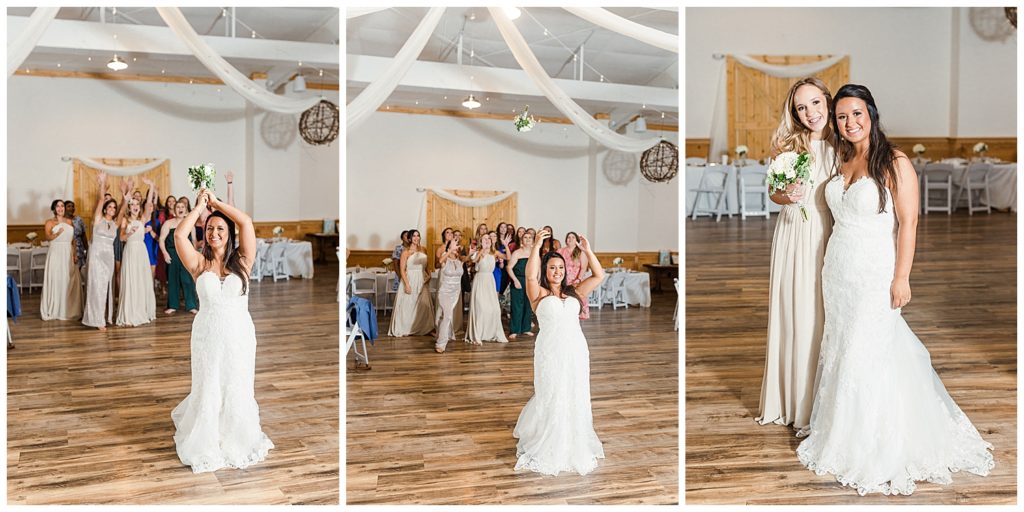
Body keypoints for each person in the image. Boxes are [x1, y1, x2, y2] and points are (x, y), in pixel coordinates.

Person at [796, 84, 993, 495]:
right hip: (838, 269)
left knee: (870, 348)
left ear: (871, 113)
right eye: (842, 116)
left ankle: (877, 440)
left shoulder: (895, 160)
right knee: (842, 346)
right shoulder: (841, 156)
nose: (849, 123)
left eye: (856, 114)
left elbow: (909, 222)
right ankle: (840, 430)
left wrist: (901, 276)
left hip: (874, 270)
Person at [171, 188, 274, 473]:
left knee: (236, 384)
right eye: (210, 228)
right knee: (209, 386)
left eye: (220, 228)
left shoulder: (242, 261)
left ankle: (237, 436)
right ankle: (207, 439)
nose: (214, 232)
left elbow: (247, 224)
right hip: (207, 336)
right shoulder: (198, 264)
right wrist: (199, 208)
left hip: (239, 335)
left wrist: (217, 204)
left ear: (228, 234)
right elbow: (179, 236)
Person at [755, 77, 836, 431]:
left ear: (828, 102)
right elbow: (773, 192)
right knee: (796, 311)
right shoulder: (786, 146)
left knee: (823, 311)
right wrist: (785, 196)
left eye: (815, 103)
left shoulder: (844, 144)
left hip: (828, 230)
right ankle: (791, 400)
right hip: (793, 230)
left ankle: (821, 399)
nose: (810, 113)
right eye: (801, 107)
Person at [513, 228, 605, 475]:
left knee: (574, 392)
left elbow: (599, 275)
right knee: (553, 393)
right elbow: (530, 277)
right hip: (550, 352)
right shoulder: (539, 294)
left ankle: (575, 437)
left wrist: (587, 250)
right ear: (545, 271)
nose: (557, 272)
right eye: (552, 268)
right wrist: (535, 248)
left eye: (561, 268)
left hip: (576, 351)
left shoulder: (574, 291)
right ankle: (550, 439)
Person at [82, 173, 125, 330]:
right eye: (110, 207)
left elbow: (122, 211)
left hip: (109, 256)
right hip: (97, 255)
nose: (112, 209)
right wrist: (102, 182)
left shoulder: (115, 223)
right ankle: (96, 319)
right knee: (96, 286)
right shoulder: (98, 219)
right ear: (105, 208)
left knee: (106, 287)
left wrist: (125, 196)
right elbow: (101, 199)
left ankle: (105, 317)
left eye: (114, 207)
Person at [115, 180, 157, 326]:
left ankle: (143, 310)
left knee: (141, 280)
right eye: (132, 205)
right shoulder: (125, 221)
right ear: (129, 207)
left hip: (141, 251)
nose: (135, 207)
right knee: (131, 280)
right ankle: (130, 312)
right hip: (130, 251)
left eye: (137, 205)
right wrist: (129, 234)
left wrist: (151, 187)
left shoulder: (143, 219)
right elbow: (120, 238)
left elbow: (149, 203)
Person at [40, 199, 83, 321]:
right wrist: (57, 234)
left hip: (68, 252)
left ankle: (68, 309)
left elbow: (74, 240)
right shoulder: (49, 222)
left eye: (62, 206)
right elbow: (48, 237)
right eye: (58, 206)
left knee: (68, 279)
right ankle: (54, 308)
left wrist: (75, 254)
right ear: (54, 209)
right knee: (56, 278)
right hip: (56, 252)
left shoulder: (70, 222)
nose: (60, 208)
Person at [388, 230, 434, 336]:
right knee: (409, 303)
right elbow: (403, 270)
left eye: (418, 236)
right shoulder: (405, 252)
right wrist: (407, 284)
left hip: (422, 279)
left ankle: (424, 327)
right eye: (414, 236)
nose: (416, 238)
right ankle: (406, 328)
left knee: (423, 305)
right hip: (410, 278)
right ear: (409, 238)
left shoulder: (424, 249)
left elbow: (426, 266)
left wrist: (429, 275)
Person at [465, 234, 507, 344]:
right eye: (484, 238)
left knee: (495, 309)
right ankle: (478, 334)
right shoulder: (476, 252)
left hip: (490, 281)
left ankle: (491, 332)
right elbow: (474, 261)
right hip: (480, 280)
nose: (487, 240)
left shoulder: (495, 253)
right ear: (481, 241)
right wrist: (482, 249)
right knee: (480, 308)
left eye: (489, 238)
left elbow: (509, 257)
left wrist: (506, 245)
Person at [160, 197, 199, 314]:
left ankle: (191, 305)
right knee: (173, 280)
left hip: (186, 254)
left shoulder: (190, 224)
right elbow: (161, 240)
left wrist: (194, 256)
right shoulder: (168, 223)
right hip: (172, 254)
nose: (180, 209)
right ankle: (173, 305)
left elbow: (194, 241)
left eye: (182, 207)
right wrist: (165, 253)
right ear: (174, 210)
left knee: (188, 280)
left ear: (186, 210)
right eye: (178, 207)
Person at [434, 239, 463, 353]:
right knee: (447, 315)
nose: (456, 245)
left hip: (455, 292)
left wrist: (470, 253)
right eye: (453, 243)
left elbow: (469, 260)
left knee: (446, 315)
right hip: (445, 291)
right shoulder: (444, 258)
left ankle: (440, 334)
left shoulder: (459, 259)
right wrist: (449, 250)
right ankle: (441, 343)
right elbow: (439, 261)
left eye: (457, 244)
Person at [506, 230, 535, 339]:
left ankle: (526, 328)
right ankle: (514, 330)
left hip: (530, 281)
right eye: (525, 237)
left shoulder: (534, 252)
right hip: (518, 280)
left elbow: (538, 268)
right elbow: (509, 267)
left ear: (532, 241)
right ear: (522, 240)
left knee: (528, 305)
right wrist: (515, 280)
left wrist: (537, 280)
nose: (527, 239)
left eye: (530, 237)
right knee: (517, 306)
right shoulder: (517, 253)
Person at [557, 232, 591, 320]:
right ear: (566, 240)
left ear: (577, 240)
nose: (571, 239)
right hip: (562, 279)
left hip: (576, 280)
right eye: (569, 237)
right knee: (563, 299)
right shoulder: (560, 251)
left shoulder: (581, 252)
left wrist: (578, 279)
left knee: (577, 298)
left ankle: (577, 317)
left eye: (573, 237)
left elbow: (583, 267)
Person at [65, 200, 88, 270]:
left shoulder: (79, 219)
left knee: (78, 269)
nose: (71, 208)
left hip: (79, 248)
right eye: (69, 206)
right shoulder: (62, 220)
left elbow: (83, 235)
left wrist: (87, 249)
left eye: (73, 206)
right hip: (67, 247)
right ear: (64, 208)